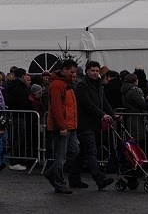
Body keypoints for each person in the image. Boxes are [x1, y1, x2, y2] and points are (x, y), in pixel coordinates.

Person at [69, 61, 115, 190]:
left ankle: (73, 179)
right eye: (92, 71)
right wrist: (102, 115)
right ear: (87, 71)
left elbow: (103, 101)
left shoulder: (99, 85)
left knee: (82, 153)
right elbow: (87, 103)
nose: (95, 73)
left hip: (94, 124)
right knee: (91, 152)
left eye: (96, 71)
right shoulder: (82, 85)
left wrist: (112, 113)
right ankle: (99, 179)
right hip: (85, 124)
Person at [43, 59, 79, 194]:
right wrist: (62, 126)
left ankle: (51, 173)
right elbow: (56, 107)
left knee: (74, 151)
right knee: (61, 156)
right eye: (71, 72)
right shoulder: (58, 85)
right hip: (63, 126)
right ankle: (59, 182)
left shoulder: (65, 84)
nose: (73, 75)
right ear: (64, 70)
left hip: (70, 125)